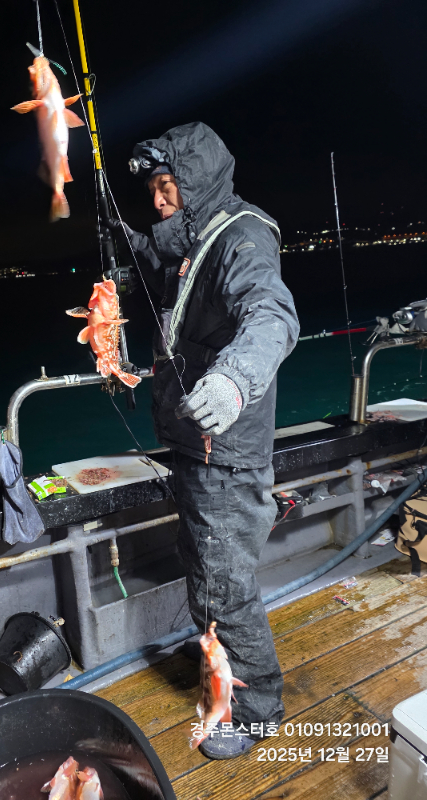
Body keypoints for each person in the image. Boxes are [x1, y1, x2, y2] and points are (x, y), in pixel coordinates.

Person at [108, 122, 299, 760]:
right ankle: (224, 666)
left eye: (168, 186)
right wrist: (125, 236)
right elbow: (163, 264)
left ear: (197, 182)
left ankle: (256, 709)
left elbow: (272, 314)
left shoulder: (241, 237)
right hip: (195, 444)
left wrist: (234, 381)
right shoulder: (192, 241)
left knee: (225, 588)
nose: (158, 199)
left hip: (227, 450)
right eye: (153, 190)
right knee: (205, 569)